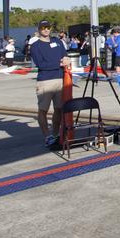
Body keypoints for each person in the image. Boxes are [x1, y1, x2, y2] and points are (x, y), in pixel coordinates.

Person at [30, 19, 70, 148]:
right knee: (43, 110)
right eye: (43, 28)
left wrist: (66, 59)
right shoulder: (35, 46)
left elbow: (65, 55)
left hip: (60, 79)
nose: (46, 30)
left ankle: (55, 133)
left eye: (48, 27)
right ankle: (47, 136)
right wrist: (58, 64)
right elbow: (40, 64)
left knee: (59, 109)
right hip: (45, 81)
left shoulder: (58, 41)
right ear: (39, 29)